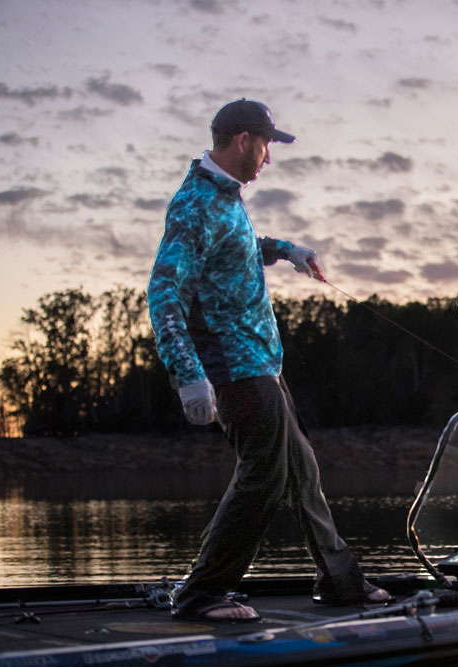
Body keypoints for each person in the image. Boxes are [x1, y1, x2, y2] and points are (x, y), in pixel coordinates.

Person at [147, 99, 388, 623]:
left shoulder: (224, 200)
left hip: (260, 362)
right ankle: (203, 593)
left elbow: (236, 248)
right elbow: (163, 294)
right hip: (233, 367)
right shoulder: (194, 205)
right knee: (266, 472)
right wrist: (188, 375)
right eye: (266, 146)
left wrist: (287, 250)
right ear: (242, 141)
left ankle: (341, 582)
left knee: (300, 469)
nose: (268, 158)